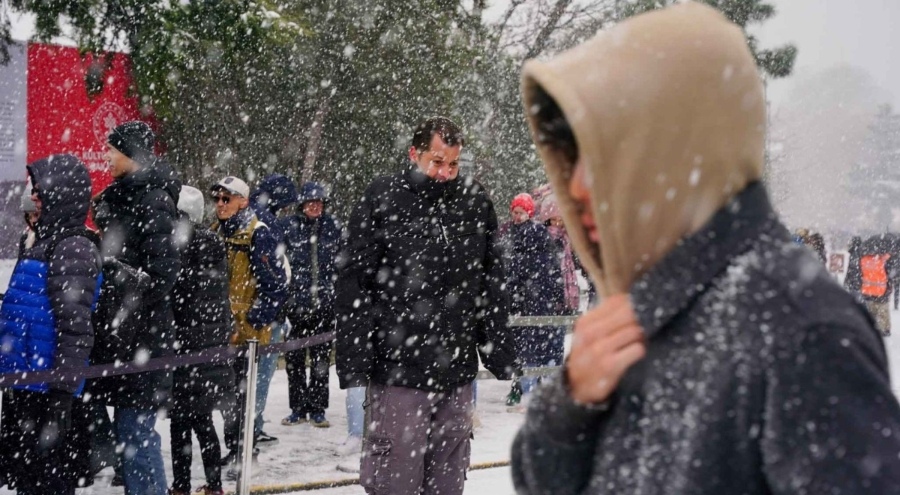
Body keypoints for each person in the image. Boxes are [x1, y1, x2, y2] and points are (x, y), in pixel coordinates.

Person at [512, 4, 900, 494]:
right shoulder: (645, 307)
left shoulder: (803, 331)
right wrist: (571, 404)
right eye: (572, 157)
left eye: (604, 153)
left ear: (674, 149)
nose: (578, 186)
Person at [335, 116, 517, 495]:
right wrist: (355, 360)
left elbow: (491, 282)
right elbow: (353, 281)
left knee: (448, 482)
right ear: (413, 154)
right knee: (395, 481)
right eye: (437, 161)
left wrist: (498, 350)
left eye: (453, 164)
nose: (445, 173)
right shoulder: (383, 197)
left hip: (457, 373)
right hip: (399, 371)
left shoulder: (474, 201)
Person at [0, 155, 102, 494]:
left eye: (42, 191)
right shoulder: (42, 242)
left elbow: (75, 327)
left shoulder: (72, 246)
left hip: (46, 388)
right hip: (26, 383)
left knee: (48, 481)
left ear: (63, 194)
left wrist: (62, 392)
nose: (36, 198)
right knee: (29, 480)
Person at [91, 121, 181, 495]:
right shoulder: (121, 197)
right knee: (128, 441)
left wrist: (117, 273)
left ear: (131, 154)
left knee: (136, 438)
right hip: (123, 338)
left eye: (114, 150)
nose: (108, 156)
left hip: (143, 339)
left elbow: (162, 275)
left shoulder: (153, 199)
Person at [210, 175, 288, 476]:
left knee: (243, 397)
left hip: (247, 334)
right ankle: (235, 449)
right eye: (216, 198)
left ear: (243, 200)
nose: (220, 204)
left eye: (226, 198)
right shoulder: (217, 229)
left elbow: (276, 287)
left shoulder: (259, 233)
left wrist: (253, 321)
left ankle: (247, 454)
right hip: (222, 329)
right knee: (228, 397)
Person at [168, 185, 234, 495]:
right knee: (202, 420)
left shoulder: (179, 244)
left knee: (181, 422)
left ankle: (182, 485)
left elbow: (177, 293)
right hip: (210, 345)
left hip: (186, 345)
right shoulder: (213, 243)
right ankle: (214, 485)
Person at [281, 182, 341, 428]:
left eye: (319, 202)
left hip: (325, 306)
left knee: (320, 361)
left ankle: (317, 408)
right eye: (310, 202)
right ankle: (297, 408)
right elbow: (281, 266)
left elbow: (342, 264)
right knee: (294, 361)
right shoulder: (289, 228)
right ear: (302, 205)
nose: (315, 206)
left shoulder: (333, 228)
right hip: (296, 307)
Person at [500, 193, 564, 409]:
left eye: (521, 212)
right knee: (525, 348)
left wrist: (554, 294)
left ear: (529, 213)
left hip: (534, 300)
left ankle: (533, 389)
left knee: (535, 347)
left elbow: (547, 269)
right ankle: (523, 387)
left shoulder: (535, 236)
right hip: (524, 301)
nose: (517, 216)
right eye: (515, 212)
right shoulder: (509, 235)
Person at [248, 174, 297, 446]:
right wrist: (272, 311)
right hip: (266, 314)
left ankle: (251, 426)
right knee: (261, 377)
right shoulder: (267, 222)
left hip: (252, 309)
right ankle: (252, 427)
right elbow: (277, 275)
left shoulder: (250, 216)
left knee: (251, 377)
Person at [857, 233, 897, 336]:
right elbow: (890, 274)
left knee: (872, 310)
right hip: (882, 290)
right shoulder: (884, 260)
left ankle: (871, 327)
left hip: (868, 290)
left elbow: (860, 273)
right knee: (883, 311)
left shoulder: (864, 259)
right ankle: (884, 329)